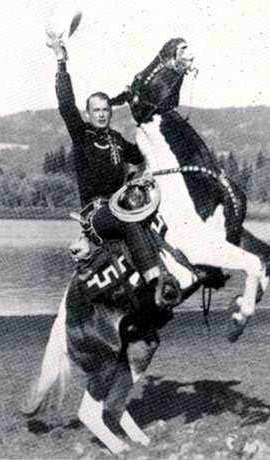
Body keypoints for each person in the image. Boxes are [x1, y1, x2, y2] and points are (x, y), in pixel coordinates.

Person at [46, 35, 180, 311]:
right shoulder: (81, 136)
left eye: (106, 110)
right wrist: (61, 62)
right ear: (88, 113)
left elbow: (143, 156)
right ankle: (155, 280)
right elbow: (65, 105)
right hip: (95, 215)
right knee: (128, 218)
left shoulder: (118, 140)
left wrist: (147, 174)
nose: (102, 115)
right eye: (96, 111)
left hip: (119, 207)